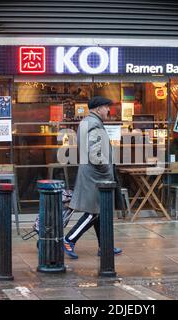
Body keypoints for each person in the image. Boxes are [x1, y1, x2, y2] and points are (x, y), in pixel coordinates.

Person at [63, 96, 123, 259]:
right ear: (98, 109)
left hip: (92, 175)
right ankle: (69, 239)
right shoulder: (94, 125)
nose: (108, 110)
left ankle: (105, 246)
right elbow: (95, 153)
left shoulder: (87, 122)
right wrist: (105, 168)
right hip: (96, 177)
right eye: (106, 107)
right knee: (93, 212)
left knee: (99, 211)